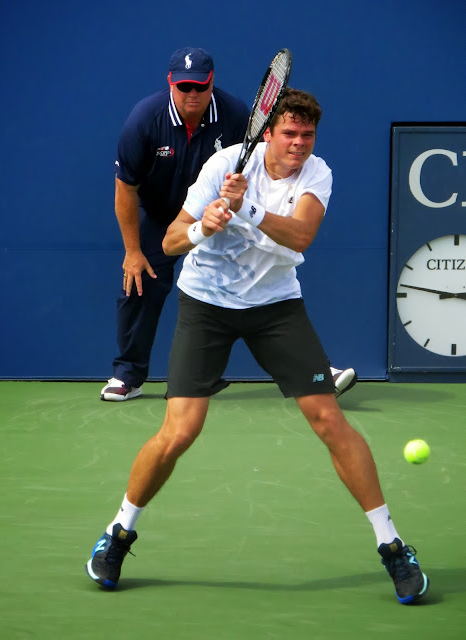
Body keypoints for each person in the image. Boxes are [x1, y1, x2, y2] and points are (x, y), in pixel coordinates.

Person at [85, 88, 429, 604]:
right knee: (179, 431)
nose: (298, 144)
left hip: (275, 309)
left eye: (307, 135)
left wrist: (244, 212)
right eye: (288, 133)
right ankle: (117, 534)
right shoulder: (222, 165)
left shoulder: (317, 174)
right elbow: (173, 240)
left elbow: (301, 236)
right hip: (206, 306)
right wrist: (205, 224)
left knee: (329, 421)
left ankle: (393, 545)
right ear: (266, 133)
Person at [100, 46, 357, 402]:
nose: (192, 94)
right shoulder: (146, 119)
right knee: (139, 281)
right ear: (171, 83)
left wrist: (240, 206)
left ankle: (315, 369)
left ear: (211, 84)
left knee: (267, 279)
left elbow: (254, 161)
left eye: (200, 87)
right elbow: (126, 187)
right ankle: (128, 374)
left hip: (227, 205)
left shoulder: (237, 114)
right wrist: (132, 250)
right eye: (184, 87)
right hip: (167, 213)